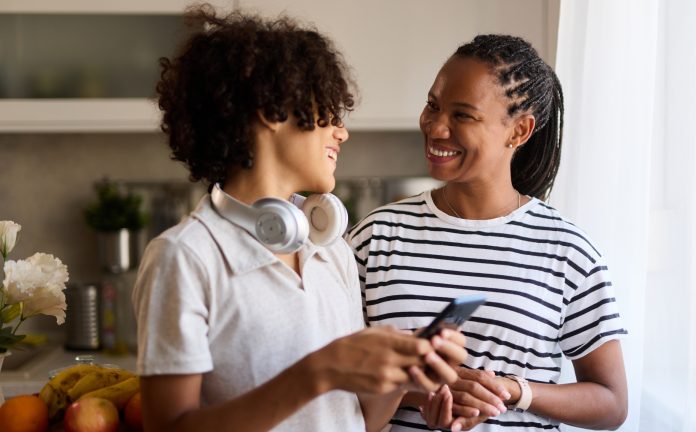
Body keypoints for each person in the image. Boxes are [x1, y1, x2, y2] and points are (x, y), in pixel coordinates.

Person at [132, 6, 467, 432]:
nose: (342, 132)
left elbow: (362, 421)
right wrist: (319, 372)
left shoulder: (331, 253)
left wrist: (404, 376)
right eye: (328, 112)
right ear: (272, 111)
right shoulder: (184, 257)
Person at [345, 34, 628, 431]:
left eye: (462, 115)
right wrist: (423, 389)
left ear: (519, 131)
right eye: (432, 105)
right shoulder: (374, 238)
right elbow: (332, 375)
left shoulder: (569, 252)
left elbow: (611, 403)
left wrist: (513, 390)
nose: (436, 126)